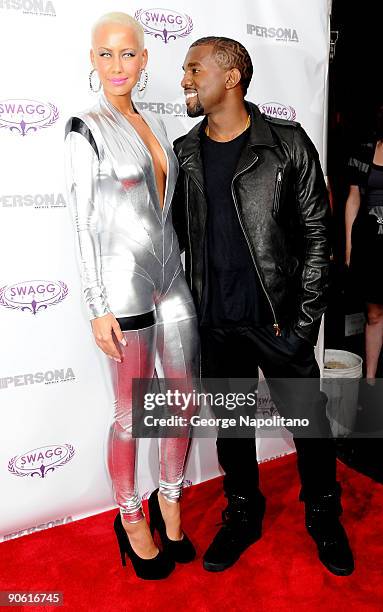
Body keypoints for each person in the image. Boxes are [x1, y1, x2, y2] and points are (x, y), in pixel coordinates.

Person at [172, 36, 354, 576]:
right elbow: (180, 238)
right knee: (232, 428)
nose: (185, 79)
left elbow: (319, 235)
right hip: (216, 323)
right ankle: (243, 514)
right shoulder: (185, 151)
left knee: (309, 424)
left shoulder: (286, 144)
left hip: (279, 321)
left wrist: (302, 326)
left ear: (230, 77)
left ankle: (324, 514)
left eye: (194, 68)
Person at [64, 12, 199, 580]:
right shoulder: (84, 126)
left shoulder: (158, 126)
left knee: (185, 398)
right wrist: (97, 305)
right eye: (105, 54)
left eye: (127, 54)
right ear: (93, 61)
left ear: (145, 60)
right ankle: (129, 514)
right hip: (122, 289)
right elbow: (82, 223)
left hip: (173, 276)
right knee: (130, 415)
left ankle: (170, 497)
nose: (117, 65)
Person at [345, 105, 383, 382]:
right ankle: (370, 380)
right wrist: (348, 246)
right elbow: (353, 197)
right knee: (373, 313)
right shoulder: (365, 150)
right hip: (371, 244)